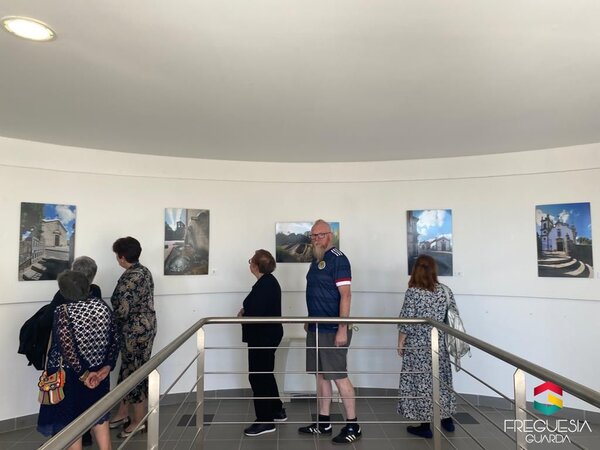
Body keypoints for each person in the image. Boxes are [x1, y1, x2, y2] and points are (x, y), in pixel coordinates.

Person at [37, 271, 119, 450]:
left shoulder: (63, 311)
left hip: (71, 376)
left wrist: (84, 375)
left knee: (72, 424)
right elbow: (115, 339)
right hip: (99, 374)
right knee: (100, 417)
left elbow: (68, 350)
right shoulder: (102, 306)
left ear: (63, 292)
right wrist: (107, 367)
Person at [298, 219, 361, 444]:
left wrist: (342, 328)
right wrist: (310, 320)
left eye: (320, 235)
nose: (316, 239)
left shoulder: (339, 259)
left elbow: (346, 295)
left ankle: (353, 425)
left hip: (333, 330)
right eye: (313, 235)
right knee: (321, 376)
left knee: (339, 377)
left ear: (330, 235)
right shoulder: (316, 260)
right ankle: (323, 422)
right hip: (316, 328)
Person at [397, 255, 456, 438]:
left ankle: (425, 426)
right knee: (440, 380)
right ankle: (446, 420)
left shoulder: (413, 292)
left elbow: (406, 321)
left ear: (416, 270)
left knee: (421, 383)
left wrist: (400, 342)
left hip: (418, 347)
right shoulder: (445, 291)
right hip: (440, 345)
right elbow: (453, 315)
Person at [109, 237, 157, 438]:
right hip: (145, 328)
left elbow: (122, 310)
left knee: (135, 372)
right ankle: (122, 413)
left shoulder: (130, 278)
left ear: (122, 257)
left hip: (134, 332)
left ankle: (138, 420)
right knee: (128, 370)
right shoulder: (143, 271)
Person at [238, 249, 287, 436]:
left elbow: (256, 312)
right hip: (266, 335)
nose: (250, 263)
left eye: (251, 260)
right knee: (265, 374)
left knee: (258, 376)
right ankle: (276, 410)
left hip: (263, 336)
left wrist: (243, 315)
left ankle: (265, 420)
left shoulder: (265, 284)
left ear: (256, 266)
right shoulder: (267, 282)